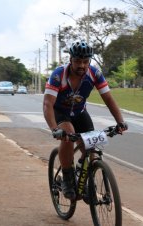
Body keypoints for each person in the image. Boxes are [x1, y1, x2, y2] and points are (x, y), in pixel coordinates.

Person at [43, 41, 128, 200]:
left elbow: (108, 99)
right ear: (71, 60)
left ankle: (86, 178)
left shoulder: (94, 74)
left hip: (80, 112)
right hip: (60, 112)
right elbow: (48, 104)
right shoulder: (58, 75)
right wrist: (55, 129)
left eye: (85, 61)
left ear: (89, 61)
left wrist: (120, 122)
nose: (81, 65)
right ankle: (68, 178)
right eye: (77, 61)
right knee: (68, 135)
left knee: (92, 149)